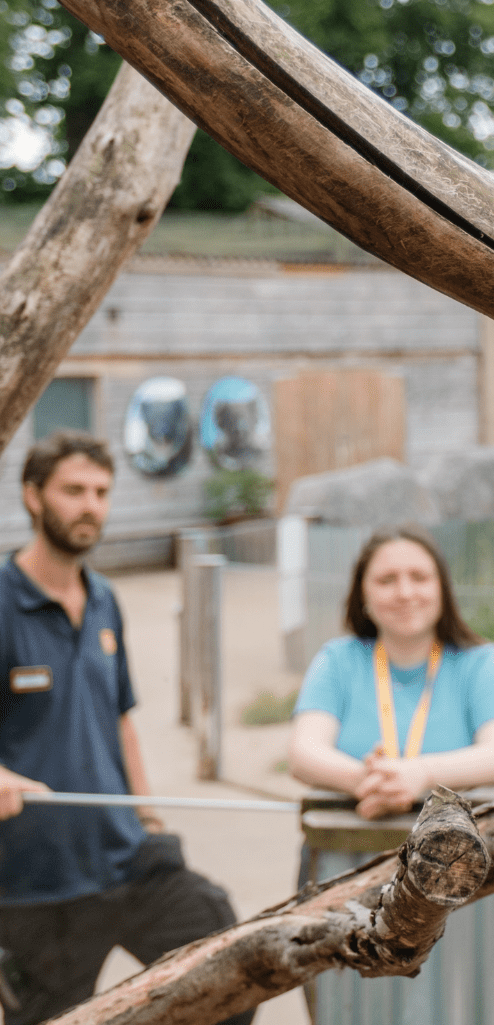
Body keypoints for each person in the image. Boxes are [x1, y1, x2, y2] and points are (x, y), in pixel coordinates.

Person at [0, 430, 252, 1025]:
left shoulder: (105, 599)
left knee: (233, 977)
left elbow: (120, 719)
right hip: (38, 884)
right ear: (33, 496)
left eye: (102, 492)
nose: (91, 505)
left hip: (127, 858)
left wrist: (149, 820)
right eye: (73, 490)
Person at [289, 526, 494, 818]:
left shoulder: (483, 663)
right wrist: (368, 780)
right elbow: (303, 753)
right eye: (387, 580)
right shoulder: (337, 661)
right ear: (362, 591)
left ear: (442, 588)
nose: (405, 592)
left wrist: (421, 774)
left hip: (456, 857)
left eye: (419, 578)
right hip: (345, 854)